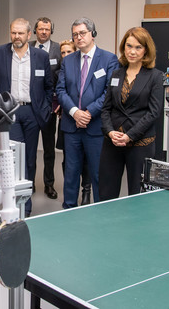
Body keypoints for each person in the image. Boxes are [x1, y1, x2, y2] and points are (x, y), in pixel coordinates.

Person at [0, 18, 53, 217]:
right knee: (12, 158)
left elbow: (49, 86)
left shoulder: (41, 56)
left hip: (33, 112)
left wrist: (46, 107)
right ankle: (13, 201)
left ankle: (26, 200)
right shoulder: (0, 52)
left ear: (29, 35)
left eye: (20, 33)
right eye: (13, 33)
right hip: (9, 112)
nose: (16, 37)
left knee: (30, 159)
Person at [56, 17, 119, 208]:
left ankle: (100, 210)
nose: (78, 37)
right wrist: (75, 112)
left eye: (82, 33)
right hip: (71, 126)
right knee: (71, 171)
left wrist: (88, 112)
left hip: (95, 127)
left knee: (98, 172)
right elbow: (60, 90)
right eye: (75, 34)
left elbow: (110, 91)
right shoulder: (68, 61)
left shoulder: (109, 59)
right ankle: (68, 208)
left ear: (93, 33)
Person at [99, 27, 163, 200]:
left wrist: (129, 136)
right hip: (113, 141)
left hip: (140, 143)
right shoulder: (116, 74)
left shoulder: (155, 76)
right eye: (129, 46)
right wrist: (110, 131)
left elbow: (154, 112)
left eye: (138, 47)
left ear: (146, 50)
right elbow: (106, 108)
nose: (132, 51)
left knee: (138, 193)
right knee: (107, 191)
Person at [29, 17, 62, 200]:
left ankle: (49, 184)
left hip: (50, 107)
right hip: (31, 107)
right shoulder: (28, 48)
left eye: (47, 29)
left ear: (51, 31)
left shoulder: (58, 50)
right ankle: (30, 183)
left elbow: (62, 77)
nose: (43, 32)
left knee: (49, 149)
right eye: (40, 29)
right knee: (30, 149)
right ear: (35, 31)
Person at [56, 40, 91, 205]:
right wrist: (73, 112)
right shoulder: (62, 70)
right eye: (62, 53)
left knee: (86, 161)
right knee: (69, 162)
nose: (65, 55)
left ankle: (86, 190)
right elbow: (59, 92)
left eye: (68, 52)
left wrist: (83, 114)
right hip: (68, 121)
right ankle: (70, 200)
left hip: (89, 119)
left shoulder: (84, 66)